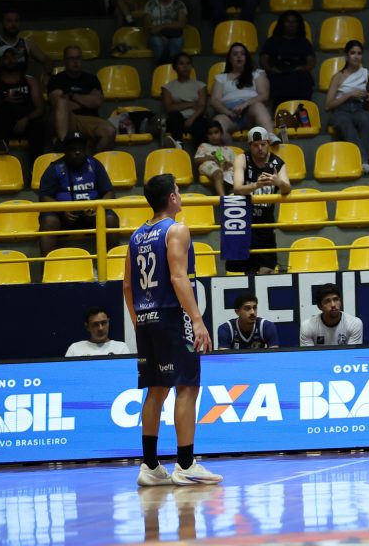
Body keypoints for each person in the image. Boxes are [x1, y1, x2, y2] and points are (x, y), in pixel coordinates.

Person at [123, 172, 221, 486]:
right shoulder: (176, 229)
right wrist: (196, 319)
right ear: (172, 198)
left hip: (145, 317)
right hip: (172, 317)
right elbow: (179, 277)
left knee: (156, 390)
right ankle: (186, 464)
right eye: (178, 190)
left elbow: (127, 286)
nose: (180, 195)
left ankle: (150, 466)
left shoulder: (135, 236)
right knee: (187, 387)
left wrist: (138, 320)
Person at [38, 131, 119, 257]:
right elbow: (44, 196)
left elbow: (109, 192)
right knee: (49, 221)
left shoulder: (95, 165)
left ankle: (112, 263)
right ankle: (47, 266)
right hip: (63, 216)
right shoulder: (55, 168)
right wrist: (62, 210)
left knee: (110, 219)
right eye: (72, 149)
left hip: (92, 214)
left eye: (81, 148)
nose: (77, 152)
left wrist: (97, 208)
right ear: (65, 150)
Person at [227, 126, 291, 275]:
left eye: (263, 144)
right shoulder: (242, 159)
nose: (260, 148)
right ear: (250, 146)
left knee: (267, 269)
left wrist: (278, 182)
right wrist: (256, 185)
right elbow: (237, 188)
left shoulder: (278, 163)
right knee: (244, 270)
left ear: (268, 144)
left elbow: (287, 188)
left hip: (265, 222)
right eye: (256, 145)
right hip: (241, 220)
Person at [0, 10, 49, 121]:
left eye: (16, 21)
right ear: (3, 23)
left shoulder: (26, 43)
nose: (13, 24)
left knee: (35, 83)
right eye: (9, 21)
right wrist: (4, 78)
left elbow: (46, 60)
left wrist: (47, 75)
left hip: (21, 82)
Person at [48, 46, 117, 152]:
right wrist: (87, 101)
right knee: (62, 104)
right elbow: (57, 104)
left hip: (88, 120)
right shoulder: (56, 79)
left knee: (110, 131)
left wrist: (72, 96)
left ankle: (92, 160)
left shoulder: (91, 79)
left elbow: (97, 102)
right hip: (67, 119)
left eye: (78, 58)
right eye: (71, 58)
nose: (75, 62)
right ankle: (62, 147)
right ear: (65, 61)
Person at [0, 44, 43, 162]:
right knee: (5, 108)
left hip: (27, 123)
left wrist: (26, 119)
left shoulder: (30, 81)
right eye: (6, 57)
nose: (10, 60)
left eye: (13, 57)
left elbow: (40, 109)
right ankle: (1, 148)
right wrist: (2, 102)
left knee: (37, 124)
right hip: (5, 125)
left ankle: (36, 166)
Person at [325, 39, 369, 174]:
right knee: (344, 122)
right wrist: (349, 95)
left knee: (367, 119)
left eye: (359, 53)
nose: (356, 56)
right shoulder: (338, 77)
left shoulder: (367, 74)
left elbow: (367, 94)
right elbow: (328, 106)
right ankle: (362, 160)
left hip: (359, 108)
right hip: (340, 110)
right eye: (353, 53)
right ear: (347, 56)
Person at [210, 42, 275, 144]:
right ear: (230, 59)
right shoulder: (221, 78)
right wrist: (228, 112)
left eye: (242, 54)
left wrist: (244, 104)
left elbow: (264, 95)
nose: (239, 56)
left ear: (246, 58)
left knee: (258, 106)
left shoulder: (257, 73)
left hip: (250, 112)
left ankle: (271, 137)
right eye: (235, 54)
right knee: (217, 123)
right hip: (229, 114)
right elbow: (214, 100)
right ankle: (229, 151)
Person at [260, 10, 315, 110]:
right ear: (282, 24)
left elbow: (311, 61)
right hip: (277, 74)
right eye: (288, 21)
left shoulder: (304, 42)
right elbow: (264, 59)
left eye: (294, 22)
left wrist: (302, 68)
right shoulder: (272, 41)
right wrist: (271, 69)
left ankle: (302, 114)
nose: (291, 24)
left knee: (304, 80)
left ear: (298, 24)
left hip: (298, 75)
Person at [160, 52, 208, 150]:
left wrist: (191, 119)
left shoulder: (200, 85)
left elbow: (202, 106)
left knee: (201, 124)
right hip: (176, 120)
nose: (185, 67)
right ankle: (178, 146)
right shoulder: (167, 87)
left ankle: (200, 151)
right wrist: (191, 104)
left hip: (195, 118)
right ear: (175, 67)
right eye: (181, 64)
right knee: (174, 117)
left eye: (188, 63)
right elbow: (169, 108)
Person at [144, 0, 188, 65]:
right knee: (157, 42)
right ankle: (162, 68)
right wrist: (161, 35)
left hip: (174, 36)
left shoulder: (179, 4)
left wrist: (162, 26)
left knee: (177, 42)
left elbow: (181, 24)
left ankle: (170, 68)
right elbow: (148, 26)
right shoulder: (150, 4)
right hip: (155, 36)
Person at [193, 121, 236, 196]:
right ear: (207, 136)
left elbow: (237, 163)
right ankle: (223, 198)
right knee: (218, 173)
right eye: (210, 133)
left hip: (226, 171)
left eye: (216, 132)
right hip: (211, 167)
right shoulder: (204, 146)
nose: (213, 136)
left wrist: (229, 164)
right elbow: (196, 160)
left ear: (221, 133)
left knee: (237, 173)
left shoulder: (228, 150)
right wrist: (207, 158)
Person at [66, 307, 131, 357]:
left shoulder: (121, 348)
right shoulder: (75, 349)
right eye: (95, 324)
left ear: (108, 322)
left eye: (104, 323)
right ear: (87, 327)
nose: (100, 328)